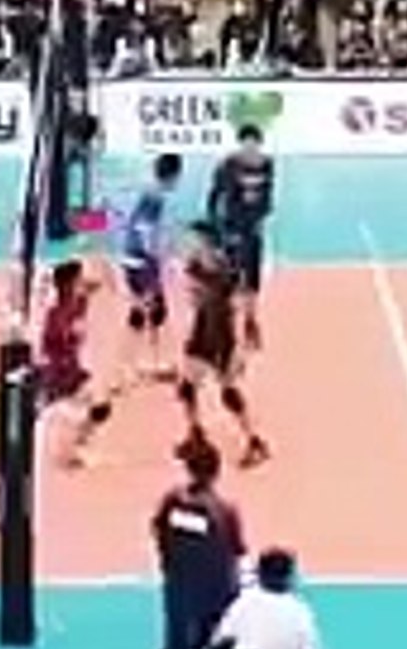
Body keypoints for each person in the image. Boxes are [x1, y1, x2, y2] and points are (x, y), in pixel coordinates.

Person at [150, 438, 246, 649]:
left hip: (179, 590)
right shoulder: (224, 510)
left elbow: (159, 533)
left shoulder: (172, 501)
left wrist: (170, 564)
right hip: (216, 594)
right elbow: (236, 550)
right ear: (217, 471)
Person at [179, 222, 270, 469]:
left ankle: (255, 441)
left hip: (220, 339)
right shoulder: (198, 264)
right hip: (201, 333)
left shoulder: (221, 269)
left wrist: (240, 340)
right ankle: (195, 433)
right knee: (186, 389)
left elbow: (228, 299)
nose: (188, 244)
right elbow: (198, 297)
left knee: (228, 394)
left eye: (194, 240)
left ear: (206, 242)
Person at [210, 547, 322, 649]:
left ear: (260, 574)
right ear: (289, 576)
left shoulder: (244, 602)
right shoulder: (301, 612)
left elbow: (220, 638)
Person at [36, 259, 115, 467]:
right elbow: (50, 345)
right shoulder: (57, 313)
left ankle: (77, 444)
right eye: (78, 279)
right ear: (68, 283)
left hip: (72, 369)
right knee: (35, 417)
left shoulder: (78, 301)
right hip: (57, 373)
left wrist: (98, 256)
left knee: (101, 407)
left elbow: (97, 284)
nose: (82, 282)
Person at [206, 125, 274, 350]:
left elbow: (267, 197)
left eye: (254, 143)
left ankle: (250, 322)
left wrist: (261, 217)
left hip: (253, 232)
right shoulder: (228, 165)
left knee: (252, 282)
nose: (250, 147)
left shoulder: (267, 164)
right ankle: (228, 327)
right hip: (232, 231)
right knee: (231, 281)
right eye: (246, 143)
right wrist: (217, 230)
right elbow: (214, 197)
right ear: (241, 143)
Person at [121, 153, 185, 380]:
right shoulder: (155, 197)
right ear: (173, 175)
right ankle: (144, 364)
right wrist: (158, 255)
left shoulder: (149, 193)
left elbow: (134, 225)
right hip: (142, 263)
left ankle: (138, 363)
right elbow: (145, 230)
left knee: (144, 313)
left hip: (133, 259)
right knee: (153, 312)